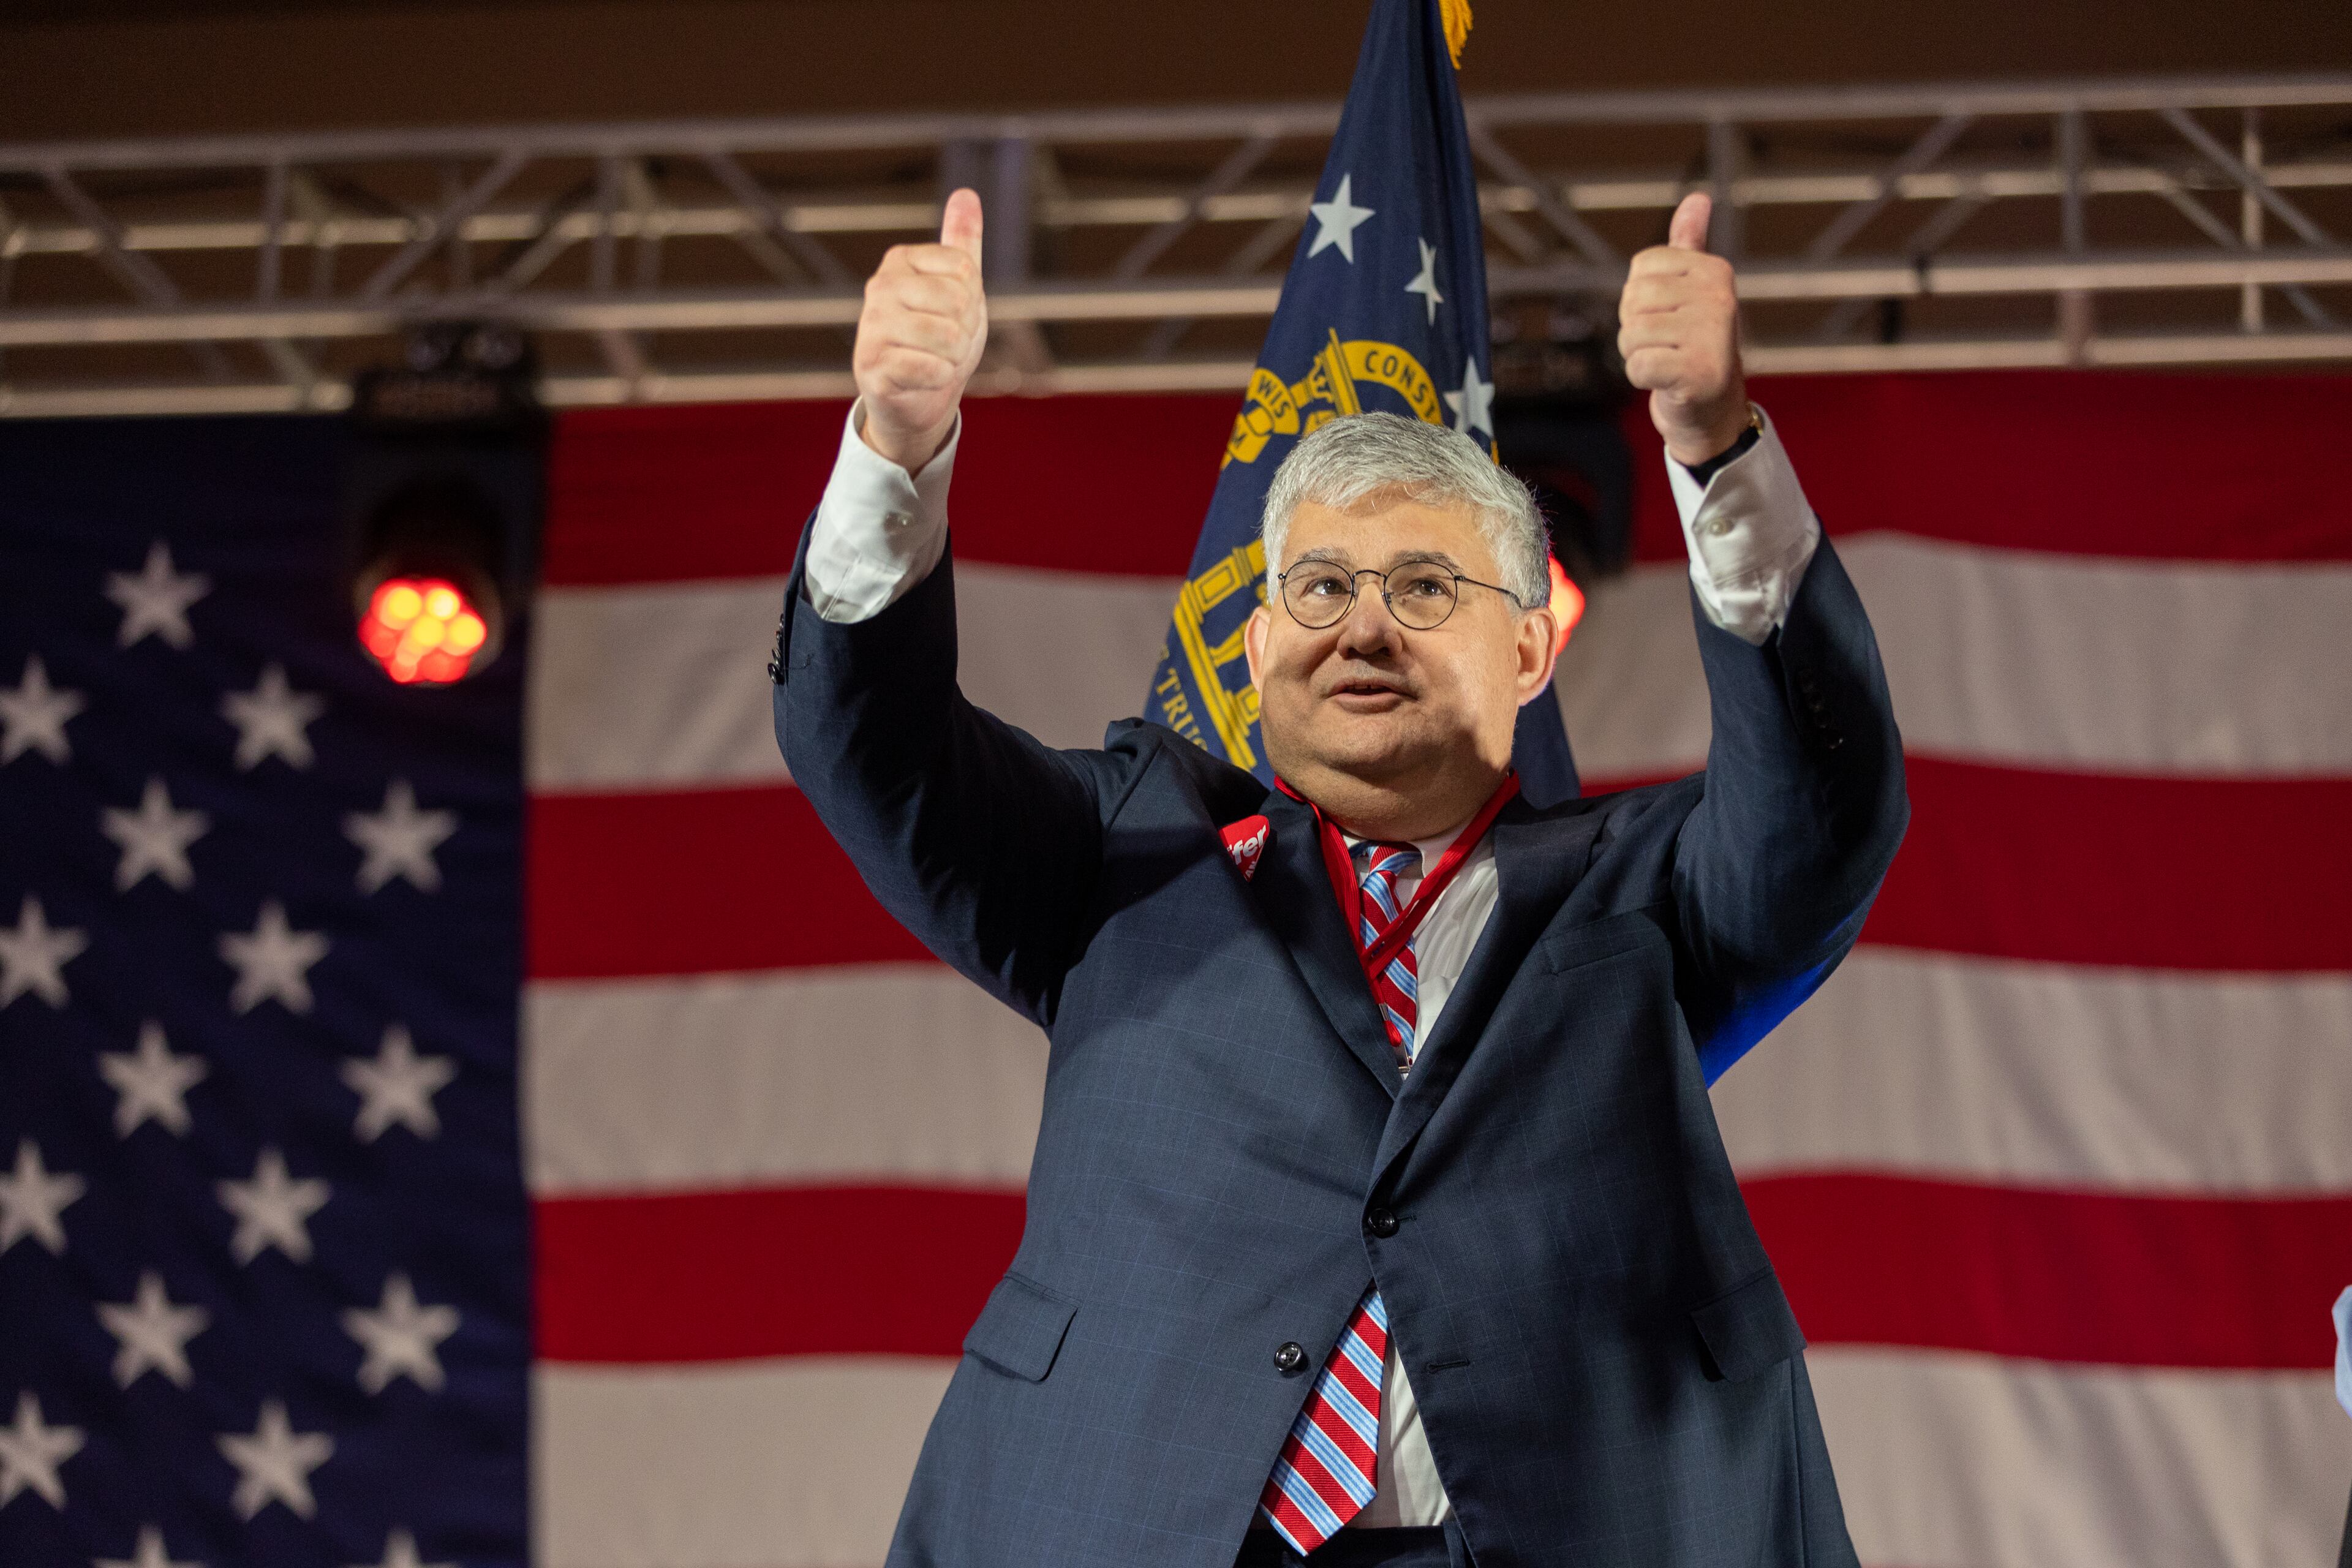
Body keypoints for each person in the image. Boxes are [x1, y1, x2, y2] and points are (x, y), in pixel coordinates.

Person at [771, 185, 1907, 1568]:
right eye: (1318, 588)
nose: (1362, 625)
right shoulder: (1117, 853)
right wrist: (897, 444)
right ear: (1254, 648)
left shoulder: (1648, 892)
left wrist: (1717, 448)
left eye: (1428, 587)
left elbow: (1824, 803)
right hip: (1136, 1520)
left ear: (1534, 650)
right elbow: (866, 742)